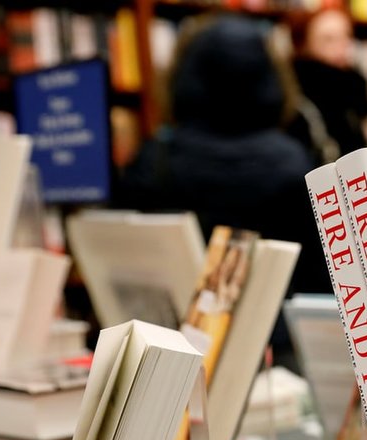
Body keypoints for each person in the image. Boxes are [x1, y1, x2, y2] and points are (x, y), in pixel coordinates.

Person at [117, 14, 331, 298]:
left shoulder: (154, 160)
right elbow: (321, 278)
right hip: (274, 321)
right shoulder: (294, 163)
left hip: (174, 320)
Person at [287, 7, 367, 166]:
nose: (341, 45)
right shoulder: (294, 90)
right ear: (305, 44)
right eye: (328, 39)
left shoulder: (356, 86)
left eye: (347, 36)